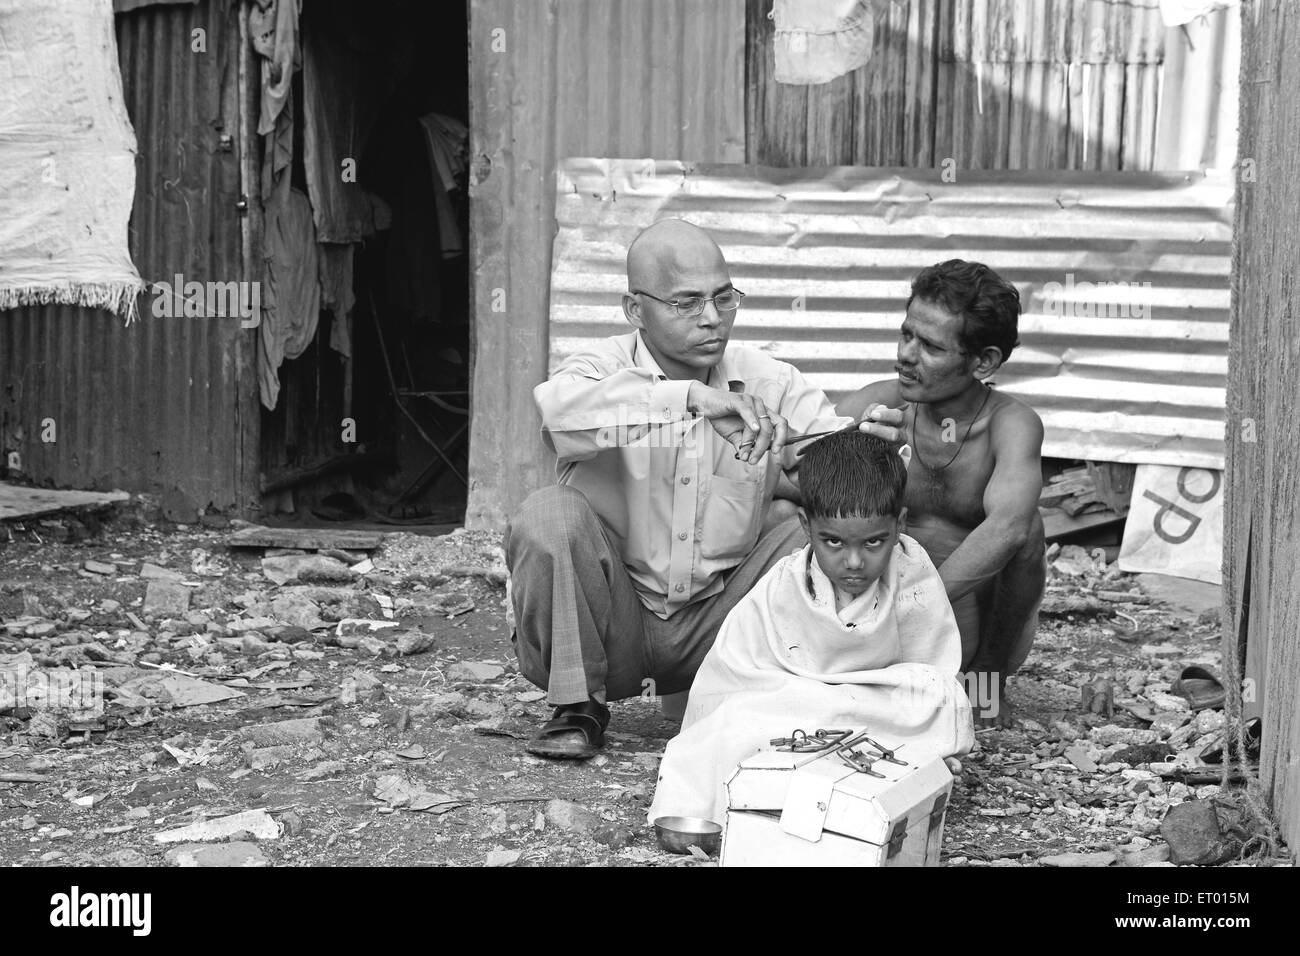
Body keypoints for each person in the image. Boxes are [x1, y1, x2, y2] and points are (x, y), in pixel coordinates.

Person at [505, 219, 897, 759]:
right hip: (615, 623)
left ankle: (814, 698)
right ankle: (577, 704)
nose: (712, 319)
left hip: (722, 623)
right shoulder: (598, 369)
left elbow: (827, 465)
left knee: (803, 529)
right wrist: (690, 399)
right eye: (687, 302)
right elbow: (560, 418)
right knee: (548, 514)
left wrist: (870, 448)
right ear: (635, 309)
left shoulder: (772, 382)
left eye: (723, 298)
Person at [646, 430, 974, 826]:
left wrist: (940, 723)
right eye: (833, 542)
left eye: (873, 543)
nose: (854, 562)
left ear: (900, 524)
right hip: (794, 710)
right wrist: (817, 700)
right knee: (733, 721)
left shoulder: (912, 571)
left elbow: (933, 672)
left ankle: (905, 756)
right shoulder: (785, 583)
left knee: (938, 701)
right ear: (805, 525)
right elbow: (733, 679)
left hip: (876, 707)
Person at [838, 259, 1045, 726]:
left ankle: (987, 681)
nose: (907, 355)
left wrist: (914, 605)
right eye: (906, 333)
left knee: (1028, 526)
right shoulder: (879, 404)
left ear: (984, 361)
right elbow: (792, 480)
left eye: (930, 346)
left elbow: (1009, 528)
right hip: (871, 617)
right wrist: (856, 459)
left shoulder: (1011, 424)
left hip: (957, 623)